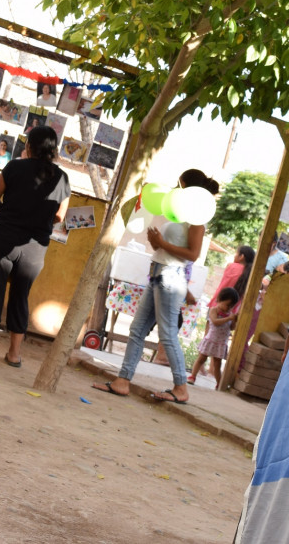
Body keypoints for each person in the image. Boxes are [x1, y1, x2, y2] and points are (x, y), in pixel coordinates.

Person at [92, 168, 220, 404]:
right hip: (158, 273)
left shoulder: (196, 220)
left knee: (167, 334)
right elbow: (169, 249)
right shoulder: (178, 214)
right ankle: (123, 380)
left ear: (188, 188)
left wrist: (161, 243)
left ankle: (181, 386)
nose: (175, 189)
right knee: (137, 329)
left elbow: (192, 254)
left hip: (171, 277)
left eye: (180, 185)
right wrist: (157, 244)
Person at [0, 125, 70, 367]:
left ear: (29, 146)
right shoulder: (63, 178)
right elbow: (60, 217)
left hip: (3, 237)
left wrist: (10, 216)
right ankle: (13, 355)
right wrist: (37, 222)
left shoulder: (14, 166)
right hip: (35, 247)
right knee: (21, 297)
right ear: (53, 150)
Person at [188, 287, 241, 386]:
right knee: (201, 359)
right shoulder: (214, 310)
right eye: (227, 305)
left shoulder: (229, 314)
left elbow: (232, 328)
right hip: (210, 340)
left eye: (231, 307)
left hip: (221, 343)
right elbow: (215, 322)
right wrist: (228, 318)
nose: (228, 308)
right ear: (219, 300)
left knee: (217, 364)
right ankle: (192, 376)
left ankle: (219, 383)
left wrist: (234, 320)